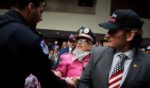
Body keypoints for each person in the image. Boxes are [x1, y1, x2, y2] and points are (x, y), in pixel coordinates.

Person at [0, 0, 67, 88]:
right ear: (31, 7)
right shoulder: (31, 39)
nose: (41, 18)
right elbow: (48, 80)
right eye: (41, 11)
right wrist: (65, 83)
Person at [78, 9, 150, 88]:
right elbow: (84, 82)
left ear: (129, 35)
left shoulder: (147, 63)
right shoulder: (97, 54)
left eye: (113, 31)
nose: (107, 35)